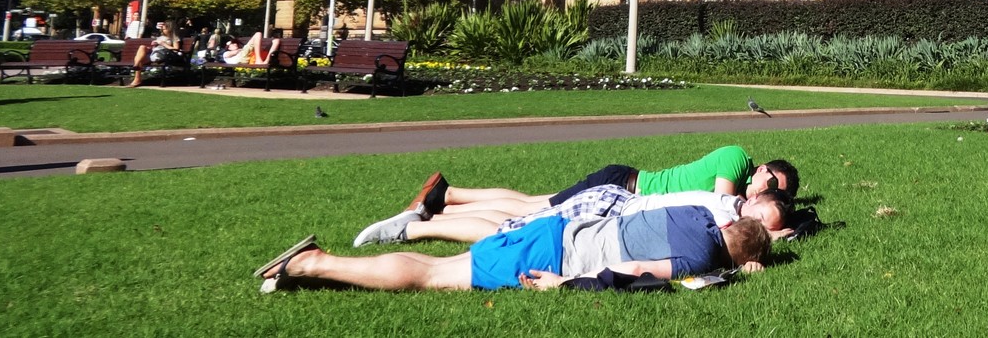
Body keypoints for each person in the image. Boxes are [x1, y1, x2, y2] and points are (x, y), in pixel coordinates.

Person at [256, 202, 771, 294]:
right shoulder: (700, 261)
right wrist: (566, 284)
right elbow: (635, 269)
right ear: (744, 256)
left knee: (442, 264)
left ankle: (315, 267)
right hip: (554, 260)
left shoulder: (698, 214)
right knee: (433, 276)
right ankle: (314, 265)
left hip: (553, 231)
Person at [404, 145, 798, 223]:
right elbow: (720, 211)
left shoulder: (745, 183)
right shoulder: (737, 158)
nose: (766, 193)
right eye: (771, 183)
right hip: (624, 186)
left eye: (774, 193)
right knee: (533, 210)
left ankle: (448, 198)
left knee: (534, 203)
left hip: (624, 191)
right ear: (762, 168)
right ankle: (445, 198)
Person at [355, 186, 791, 248]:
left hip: (613, 206)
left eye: (764, 225)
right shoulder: (722, 210)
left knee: (523, 219)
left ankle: (428, 220)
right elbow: (733, 242)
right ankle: (415, 226)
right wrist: (773, 237)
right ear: (753, 201)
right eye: (760, 215)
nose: (757, 225)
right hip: (609, 210)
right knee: (515, 230)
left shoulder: (723, 202)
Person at [127, 22, 182, 87]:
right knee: (142, 47)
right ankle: (136, 66)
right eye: (162, 29)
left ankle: (137, 79)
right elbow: (155, 48)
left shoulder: (174, 38)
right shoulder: (160, 37)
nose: (162, 30)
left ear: (170, 29)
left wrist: (163, 44)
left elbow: (176, 49)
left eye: (164, 29)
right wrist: (154, 45)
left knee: (140, 60)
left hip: (163, 55)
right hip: (154, 53)